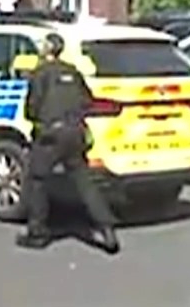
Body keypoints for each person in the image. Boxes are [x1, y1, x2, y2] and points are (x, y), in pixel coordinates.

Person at [16, 32, 120, 254]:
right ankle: (107, 228)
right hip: (75, 134)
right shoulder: (73, 72)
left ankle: (37, 233)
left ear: (48, 50)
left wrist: (43, 119)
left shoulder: (40, 73)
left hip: (51, 135)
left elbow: (31, 109)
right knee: (84, 182)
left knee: (37, 179)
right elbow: (87, 100)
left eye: (43, 46)